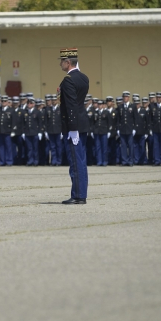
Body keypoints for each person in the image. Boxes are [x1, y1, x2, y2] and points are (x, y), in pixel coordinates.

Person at [58, 48, 89, 205]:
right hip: (81, 124)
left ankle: (78, 195)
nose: (60, 64)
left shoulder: (68, 80)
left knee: (76, 163)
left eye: (62, 61)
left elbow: (70, 106)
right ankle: (81, 193)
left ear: (68, 62)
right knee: (81, 161)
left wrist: (72, 129)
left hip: (74, 127)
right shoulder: (84, 78)